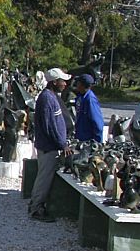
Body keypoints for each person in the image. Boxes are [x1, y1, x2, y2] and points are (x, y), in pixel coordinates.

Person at [28, 67, 71, 222]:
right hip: (48, 147)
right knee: (44, 178)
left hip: (50, 146)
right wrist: (62, 144)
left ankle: (37, 205)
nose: (65, 84)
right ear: (54, 82)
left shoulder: (50, 97)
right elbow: (50, 126)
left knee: (44, 177)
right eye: (62, 81)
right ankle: (36, 209)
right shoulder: (47, 98)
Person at [73, 73, 104, 143]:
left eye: (78, 82)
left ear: (82, 85)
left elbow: (98, 123)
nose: (76, 84)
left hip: (88, 141)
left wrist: (97, 143)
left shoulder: (90, 100)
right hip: (80, 138)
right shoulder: (80, 97)